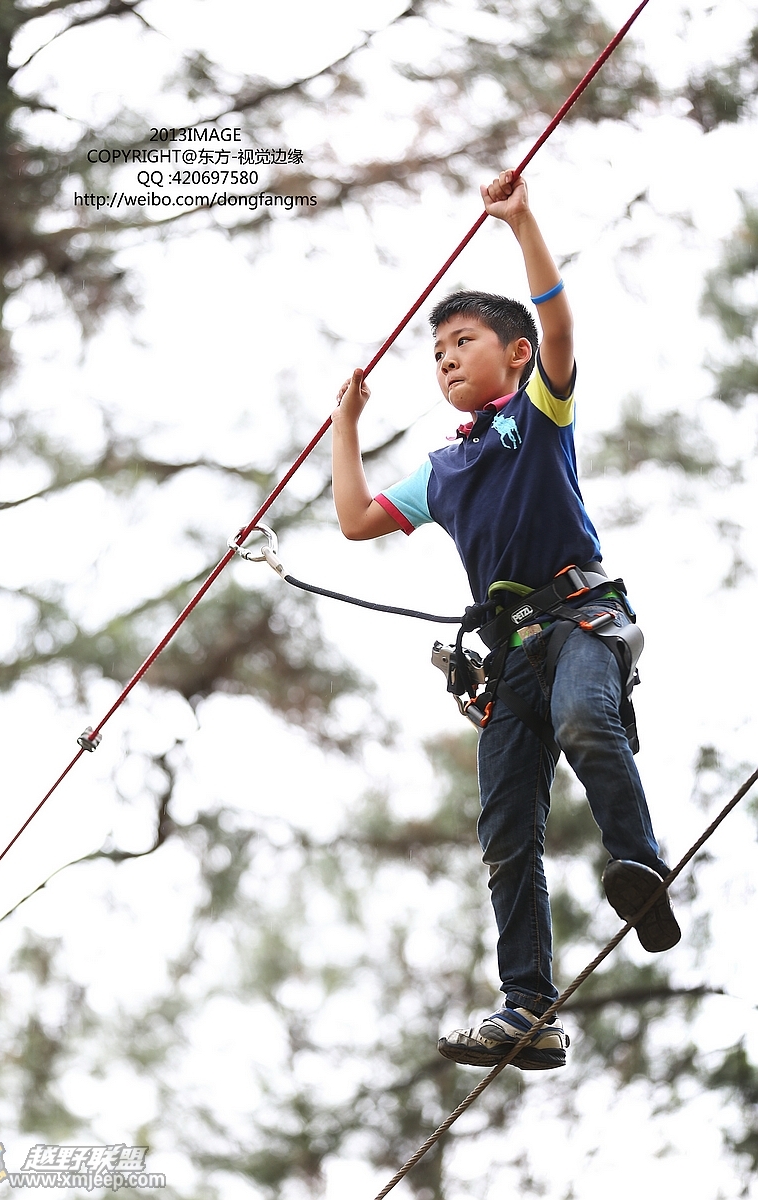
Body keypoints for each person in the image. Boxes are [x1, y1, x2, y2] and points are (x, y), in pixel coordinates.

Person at [330, 170, 680, 1071]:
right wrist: (346, 425)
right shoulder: (442, 471)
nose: (446, 359)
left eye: (464, 341)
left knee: (588, 721)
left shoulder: (539, 411)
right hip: (510, 656)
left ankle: (639, 865)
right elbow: (357, 518)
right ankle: (528, 1007)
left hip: (580, 616)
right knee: (503, 834)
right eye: (437, 351)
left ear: (514, 355)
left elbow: (559, 328)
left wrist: (521, 223)